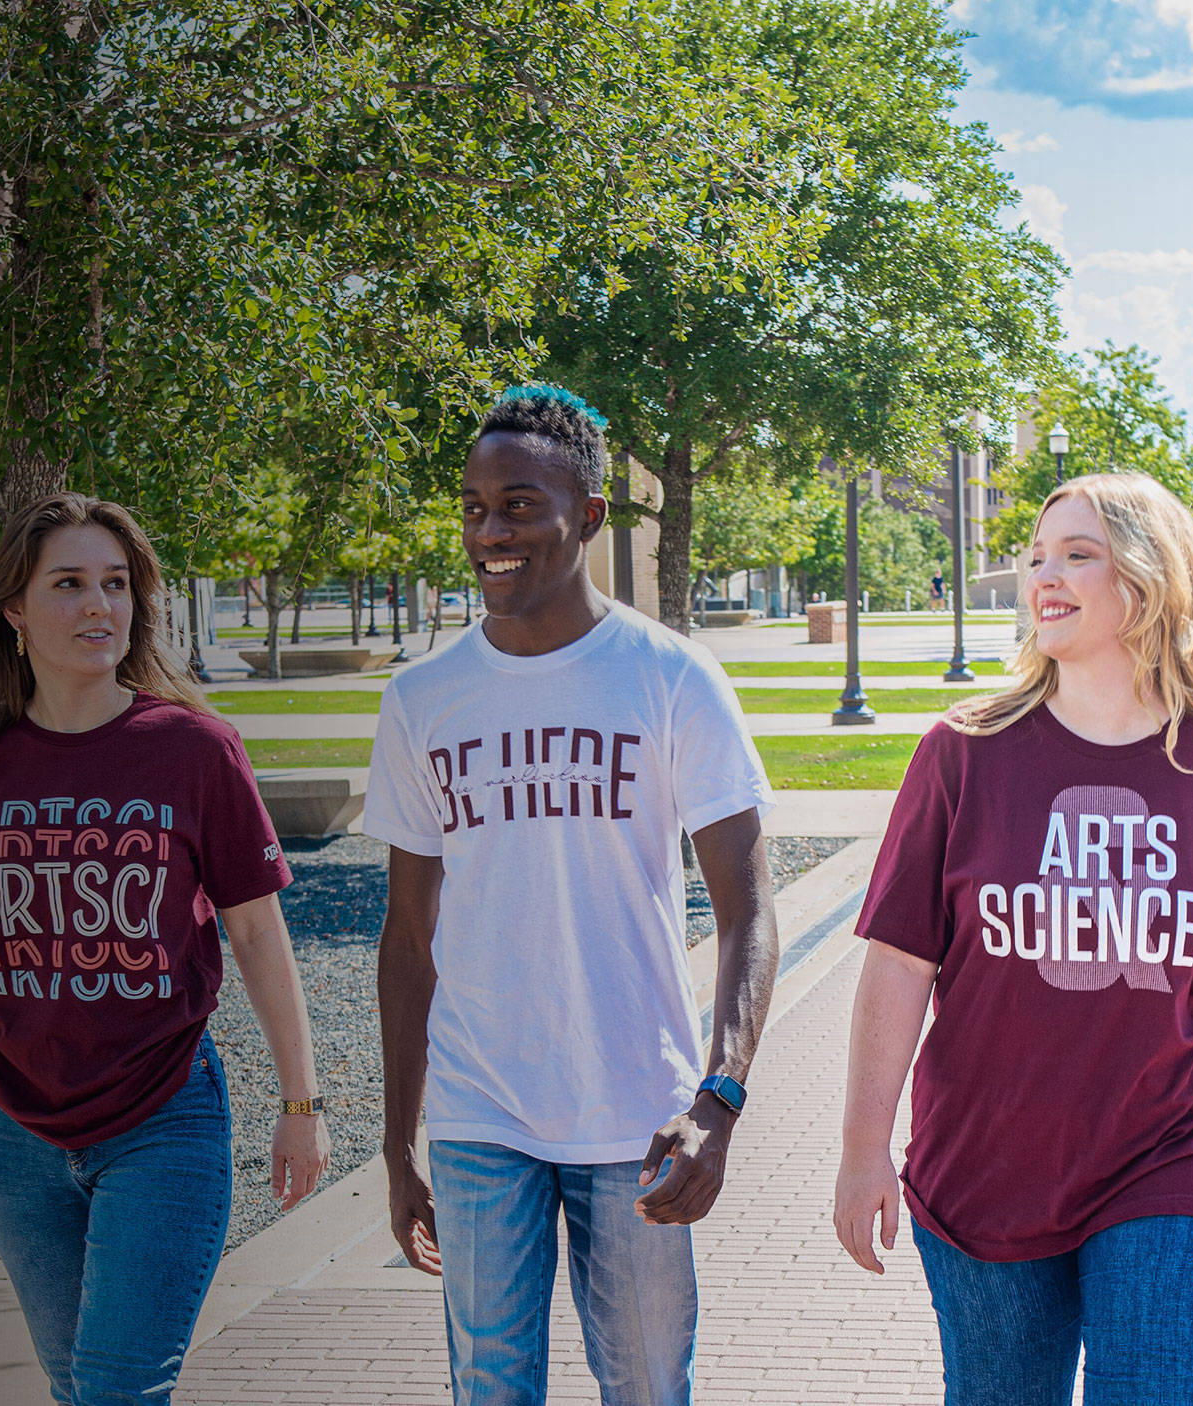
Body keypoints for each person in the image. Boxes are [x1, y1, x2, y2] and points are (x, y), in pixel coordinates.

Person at [832, 472, 1193, 1405]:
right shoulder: (963, 755)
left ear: (1149, 580)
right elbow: (899, 964)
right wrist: (863, 1145)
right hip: (987, 1163)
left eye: (1077, 555)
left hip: (1181, 1156)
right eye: (1035, 558)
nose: (1043, 578)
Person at [0, 493, 332, 1405]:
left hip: (164, 1116)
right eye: (69, 584)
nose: (99, 606)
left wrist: (299, 1101)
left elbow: (258, 932)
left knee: (115, 1391)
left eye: (117, 584)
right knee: (79, 1390)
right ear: (15, 611)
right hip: (14, 1129)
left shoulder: (195, 749)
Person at [368, 385, 784, 1406]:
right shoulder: (422, 699)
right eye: (472, 506)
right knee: (490, 1388)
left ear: (589, 515)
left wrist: (718, 1097)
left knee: (646, 1385)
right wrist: (395, 1139)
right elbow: (407, 937)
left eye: (517, 504)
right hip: (477, 1113)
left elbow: (748, 910)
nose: (487, 530)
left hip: (635, 1111)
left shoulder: (672, 678)